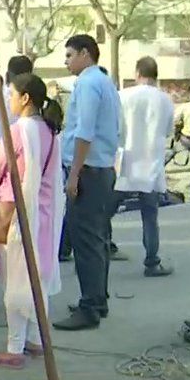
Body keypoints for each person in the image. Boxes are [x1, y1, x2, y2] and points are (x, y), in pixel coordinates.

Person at [0, 73, 64, 368]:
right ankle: (37, 340)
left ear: (25, 98)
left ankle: (14, 349)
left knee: (15, 281)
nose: (9, 100)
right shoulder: (51, 132)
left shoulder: (15, 132)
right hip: (44, 217)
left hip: (14, 217)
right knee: (35, 278)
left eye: (12, 94)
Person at [53, 33, 121, 331]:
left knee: (86, 241)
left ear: (85, 53)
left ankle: (90, 306)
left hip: (89, 170)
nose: (67, 61)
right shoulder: (104, 82)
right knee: (98, 239)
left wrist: (74, 173)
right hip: (101, 168)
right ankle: (98, 299)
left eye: (69, 55)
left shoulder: (88, 83)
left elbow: (85, 131)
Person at [108, 57, 175, 277]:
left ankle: (100, 248)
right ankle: (151, 262)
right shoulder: (165, 100)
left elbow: (115, 128)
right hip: (151, 166)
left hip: (125, 163)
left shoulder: (123, 96)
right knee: (150, 216)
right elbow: (167, 131)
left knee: (105, 212)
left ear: (137, 73)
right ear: (156, 75)